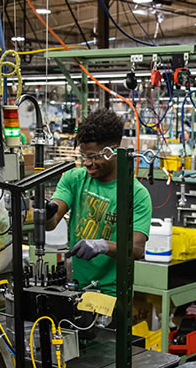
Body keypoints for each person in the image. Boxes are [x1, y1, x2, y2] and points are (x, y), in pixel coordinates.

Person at [46, 109, 152, 296]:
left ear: (112, 151)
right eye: (84, 156)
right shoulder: (74, 179)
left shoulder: (136, 194)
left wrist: (102, 246)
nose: (87, 163)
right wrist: (43, 212)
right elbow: (52, 221)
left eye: (94, 157)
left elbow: (136, 249)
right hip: (75, 287)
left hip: (112, 294)